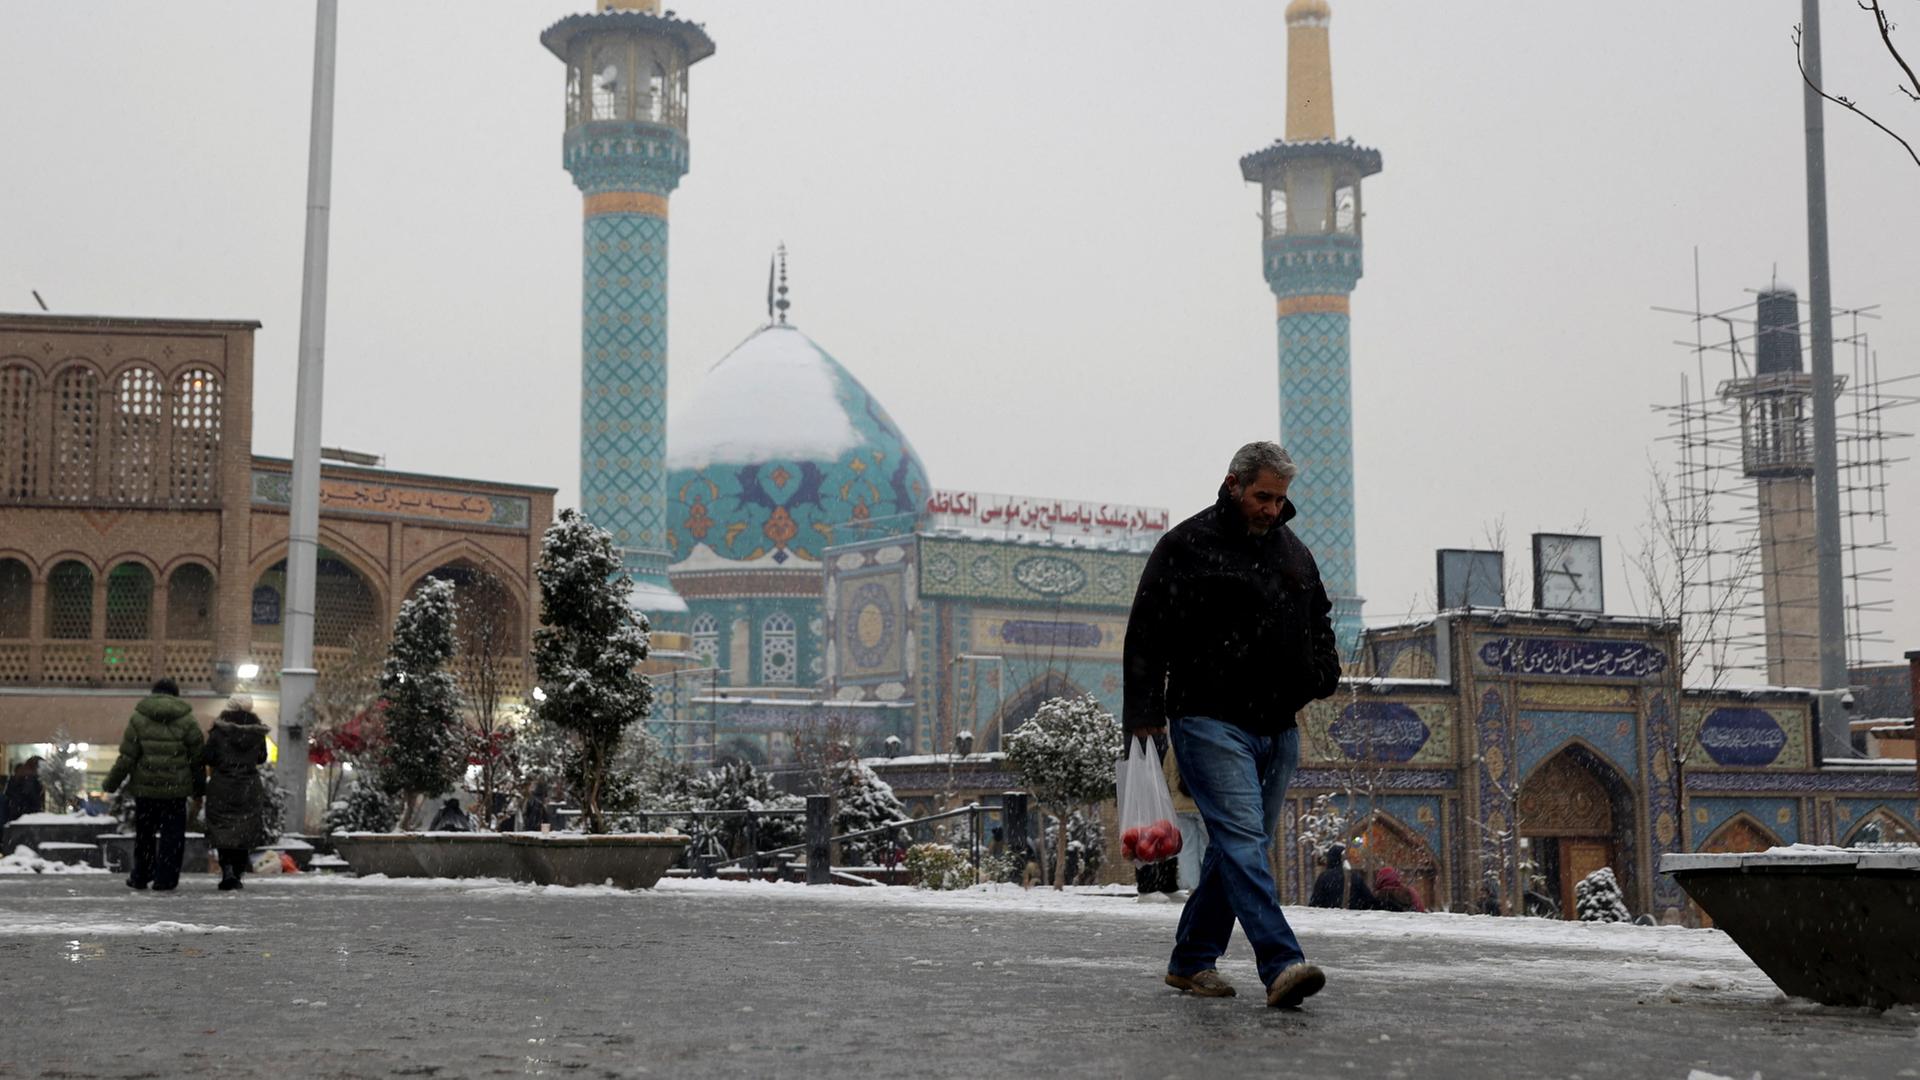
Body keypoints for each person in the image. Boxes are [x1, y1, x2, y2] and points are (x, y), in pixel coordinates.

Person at [1124, 441, 1342, 1009]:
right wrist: (1144, 716)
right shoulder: (1187, 547)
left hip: (1277, 725)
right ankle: (1282, 962)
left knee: (1237, 847)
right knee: (1245, 842)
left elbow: (1319, 616)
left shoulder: (1292, 552)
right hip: (1208, 720)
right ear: (1233, 484)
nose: (1272, 508)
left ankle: (1192, 959)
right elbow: (1146, 631)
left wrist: (1322, 673)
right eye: (1263, 496)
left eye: (1280, 498)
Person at [103, 678, 206, 892]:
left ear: (153, 693)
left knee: (145, 836)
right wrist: (199, 790)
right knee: (173, 837)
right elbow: (197, 759)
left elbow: (127, 757)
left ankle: (142, 874)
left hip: (146, 790)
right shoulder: (187, 720)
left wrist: (111, 784)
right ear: (176, 695)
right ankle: (165, 879)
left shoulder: (139, 718)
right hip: (176, 791)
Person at [201, 694, 269, 892]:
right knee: (244, 829)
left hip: (222, 785)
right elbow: (262, 758)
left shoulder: (219, 731)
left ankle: (227, 869)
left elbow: (208, 756)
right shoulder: (257, 733)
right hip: (248, 786)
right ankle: (238, 871)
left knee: (223, 829)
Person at [1308, 844, 1376, 910]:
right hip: (1352, 918)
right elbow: (1369, 902)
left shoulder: (1324, 877)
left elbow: (1315, 904)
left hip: (1329, 918)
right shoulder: (1354, 876)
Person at [3, 756, 45, 826]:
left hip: (15, 819)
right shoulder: (30, 780)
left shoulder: (17, 778)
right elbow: (33, 801)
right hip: (26, 821)